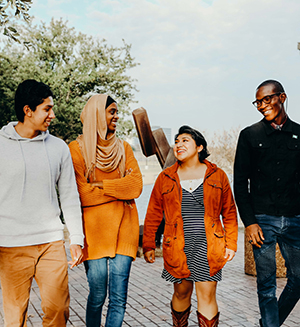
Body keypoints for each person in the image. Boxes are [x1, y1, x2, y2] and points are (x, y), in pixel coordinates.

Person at [0, 79, 84, 327]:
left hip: (50, 242)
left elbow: (69, 195)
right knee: (15, 318)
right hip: (10, 244)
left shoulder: (58, 147)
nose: (52, 115)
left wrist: (76, 238)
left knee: (58, 309)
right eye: (47, 108)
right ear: (28, 111)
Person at [143, 125, 238, 327]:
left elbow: (229, 212)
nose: (178, 144)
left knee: (207, 294)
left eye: (185, 140)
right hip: (177, 247)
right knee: (181, 292)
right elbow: (153, 213)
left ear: (199, 147)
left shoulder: (217, 175)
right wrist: (149, 244)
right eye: (176, 141)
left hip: (208, 246)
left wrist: (231, 243)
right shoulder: (165, 177)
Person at [69, 94, 143, 327]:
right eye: (112, 111)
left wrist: (101, 185)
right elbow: (82, 194)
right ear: (97, 114)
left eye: (117, 111)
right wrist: (120, 190)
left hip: (125, 230)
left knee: (119, 299)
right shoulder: (76, 149)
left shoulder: (124, 148)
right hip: (94, 234)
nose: (117, 116)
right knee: (97, 297)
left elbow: (137, 186)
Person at [234, 80, 300, 327]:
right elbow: (240, 184)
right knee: (266, 284)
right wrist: (249, 223)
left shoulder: (299, 134)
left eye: (267, 99)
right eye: (258, 102)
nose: (262, 106)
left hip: (295, 218)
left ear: (281, 97)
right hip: (262, 220)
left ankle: (269, 324)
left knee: (298, 278)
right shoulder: (250, 135)